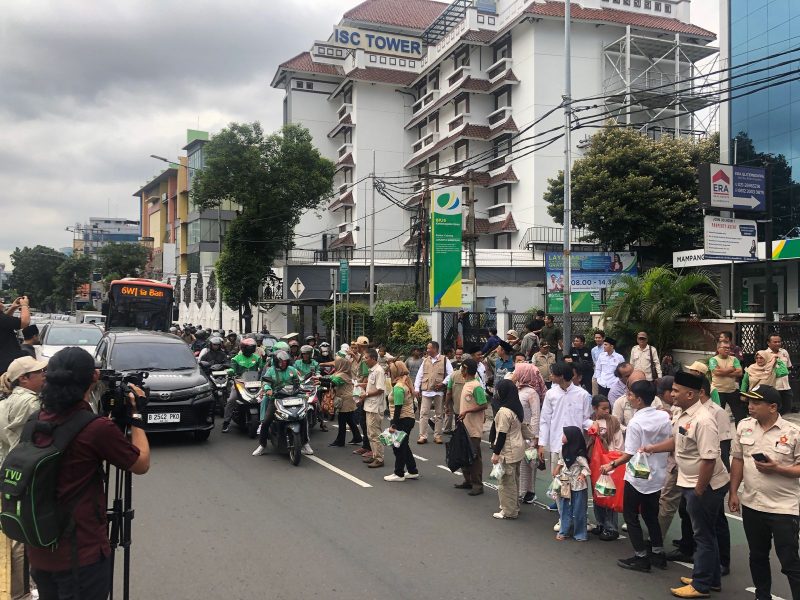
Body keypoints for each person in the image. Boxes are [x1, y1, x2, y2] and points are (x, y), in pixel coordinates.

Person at [26, 347, 149, 600]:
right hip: (80, 554)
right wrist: (136, 415)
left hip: (39, 549)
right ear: (94, 376)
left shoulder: (35, 420)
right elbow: (140, 463)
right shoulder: (95, 428)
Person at [643, 371, 730, 599]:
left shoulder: (704, 420)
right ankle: (711, 579)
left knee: (702, 535)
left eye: (676, 391)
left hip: (704, 485)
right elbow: (678, 440)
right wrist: (654, 448)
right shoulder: (683, 414)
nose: (672, 394)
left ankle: (700, 585)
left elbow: (709, 459)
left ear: (691, 394)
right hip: (691, 482)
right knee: (706, 534)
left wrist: (699, 491)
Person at [729, 384, 800, 600]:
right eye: (749, 402)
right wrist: (733, 492)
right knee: (757, 556)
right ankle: (762, 595)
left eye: (756, 403)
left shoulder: (793, 432)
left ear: (772, 407)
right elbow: (738, 459)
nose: (750, 407)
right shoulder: (744, 426)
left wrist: (777, 469)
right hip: (752, 504)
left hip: (783, 508)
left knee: (789, 560)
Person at [601, 380, 672, 572]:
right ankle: (658, 553)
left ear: (639, 400)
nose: (628, 398)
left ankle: (641, 556)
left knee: (631, 516)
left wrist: (611, 464)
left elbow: (629, 453)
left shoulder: (636, 422)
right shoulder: (664, 417)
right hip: (657, 474)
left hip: (638, 476)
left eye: (631, 395)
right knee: (651, 515)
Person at [0, 356, 47, 600]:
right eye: (39, 372)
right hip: (28, 474)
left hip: (8, 473)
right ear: (24, 379)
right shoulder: (32, 405)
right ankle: (22, 591)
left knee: (15, 531)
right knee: (25, 535)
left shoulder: (5, 403)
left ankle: (20, 589)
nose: (44, 375)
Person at [538, 362, 593, 521]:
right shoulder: (551, 394)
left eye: (553, 374)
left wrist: (598, 427)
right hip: (556, 445)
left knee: (579, 485)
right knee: (559, 483)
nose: (550, 376)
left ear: (561, 376)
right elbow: (545, 420)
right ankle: (564, 519)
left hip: (576, 449)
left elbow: (585, 420)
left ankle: (581, 519)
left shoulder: (582, 394)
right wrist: (542, 444)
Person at [252, 350, 311, 456]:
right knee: (266, 422)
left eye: (285, 361)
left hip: (293, 397)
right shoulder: (271, 371)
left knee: (303, 418)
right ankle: (262, 445)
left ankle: (305, 443)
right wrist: (268, 388)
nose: (283, 363)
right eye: (281, 361)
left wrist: (304, 389)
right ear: (276, 361)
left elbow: (300, 382)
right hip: (276, 398)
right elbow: (265, 382)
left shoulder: (292, 370)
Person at [587, 395, 623, 540]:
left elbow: (619, 442)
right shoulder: (590, 422)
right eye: (603, 408)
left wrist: (615, 458)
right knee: (597, 493)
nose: (607, 410)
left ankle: (611, 527)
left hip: (610, 461)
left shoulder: (613, 422)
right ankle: (600, 523)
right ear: (595, 408)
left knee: (608, 493)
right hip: (595, 462)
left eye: (608, 407)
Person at [490, 379, 526, 519]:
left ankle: (508, 511)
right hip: (518, 449)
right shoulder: (516, 407)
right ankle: (514, 506)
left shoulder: (503, 412)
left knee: (506, 482)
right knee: (515, 480)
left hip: (508, 450)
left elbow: (502, 435)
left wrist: (496, 453)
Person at [455, 359, 489, 496]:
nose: (460, 371)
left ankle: (477, 484)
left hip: (473, 428)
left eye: (462, 368)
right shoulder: (467, 384)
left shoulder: (476, 386)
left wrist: (467, 412)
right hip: (465, 426)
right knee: (464, 454)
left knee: (474, 456)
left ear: (467, 369)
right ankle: (467, 480)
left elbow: (484, 404)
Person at [513, 363, 544, 504]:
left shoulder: (532, 393)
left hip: (528, 433)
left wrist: (534, 437)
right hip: (517, 431)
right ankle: (520, 491)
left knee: (529, 464)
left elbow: (536, 416)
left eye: (517, 371)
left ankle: (528, 492)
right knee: (519, 463)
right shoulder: (518, 389)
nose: (515, 373)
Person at [554, 426, 591, 540]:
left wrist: (582, 475)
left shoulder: (579, 455)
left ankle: (580, 534)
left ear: (571, 437)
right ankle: (564, 530)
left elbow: (586, 468)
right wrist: (557, 469)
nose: (562, 437)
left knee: (579, 509)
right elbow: (562, 460)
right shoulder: (563, 449)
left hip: (578, 485)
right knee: (565, 508)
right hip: (566, 483)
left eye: (565, 435)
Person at [384, 361, 419, 482]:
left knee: (398, 447)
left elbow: (398, 408)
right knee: (404, 445)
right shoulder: (406, 382)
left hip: (401, 419)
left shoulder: (399, 387)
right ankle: (412, 470)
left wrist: (393, 425)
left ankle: (399, 473)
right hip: (409, 418)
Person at [222, 337, 264, 433]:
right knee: (231, 400)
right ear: (243, 348)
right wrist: (230, 372)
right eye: (249, 347)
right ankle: (226, 422)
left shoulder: (257, 358)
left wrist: (265, 361)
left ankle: (266, 423)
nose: (251, 349)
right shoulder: (236, 359)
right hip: (240, 383)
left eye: (252, 347)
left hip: (255, 383)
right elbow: (233, 369)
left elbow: (262, 369)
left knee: (265, 399)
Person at [414, 341, 452, 445]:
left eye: (429, 348)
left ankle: (438, 436)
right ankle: (422, 436)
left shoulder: (444, 360)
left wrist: (443, 383)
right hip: (426, 391)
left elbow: (451, 374)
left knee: (439, 414)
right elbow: (419, 375)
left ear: (435, 349)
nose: (427, 350)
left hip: (438, 391)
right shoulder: (425, 360)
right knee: (423, 413)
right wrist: (417, 388)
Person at [357, 349, 385, 468]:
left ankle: (379, 458)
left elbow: (380, 389)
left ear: (373, 358)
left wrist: (366, 394)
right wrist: (362, 385)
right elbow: (372, 386)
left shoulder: (379, 371)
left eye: (366, 358)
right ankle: (374, 455)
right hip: (369, 405)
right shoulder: (372, 371)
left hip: (375, 406)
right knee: (370, 433)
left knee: (375, 433)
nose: (364, 360)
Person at [328, 355, 363, 447]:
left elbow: (333, 382)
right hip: (349, 399)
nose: (335, 364)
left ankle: (340, 441)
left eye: (337, 363)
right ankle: (357, 437)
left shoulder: (341, 375)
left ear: (341, 364)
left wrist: (319, 380)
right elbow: (331, 378)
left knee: (342, 420)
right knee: (349, 420)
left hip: (345, 400)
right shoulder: (345, 373)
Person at [709, 342, 744, 424]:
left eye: (728, 348)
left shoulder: (734, 359)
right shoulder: (713, 359)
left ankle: (739, 432)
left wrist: (724, 371)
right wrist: (732, 368)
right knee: (717, 416)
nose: (727, 349)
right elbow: (716, 372)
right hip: (718, 391)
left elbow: (739, 373)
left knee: (740, 415)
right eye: (725, 348)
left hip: (732, 391)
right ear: (718, 349)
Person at [765, 334, 794, 415]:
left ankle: (776, 419)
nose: (778, 343)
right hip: (773, 386)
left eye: (779, 342)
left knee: (787, 406)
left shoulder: (784, 352)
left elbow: (788, 366)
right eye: (775, 342)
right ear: (768, 343)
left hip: (785, 386)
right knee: (773, 407)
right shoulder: (764, 354)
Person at [0, 296, 30, 374]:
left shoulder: (3, 319)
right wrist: (24, 305)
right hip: (6, 365)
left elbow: (5, 321)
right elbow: (24, 322)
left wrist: (13, 308)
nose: (1, 301)